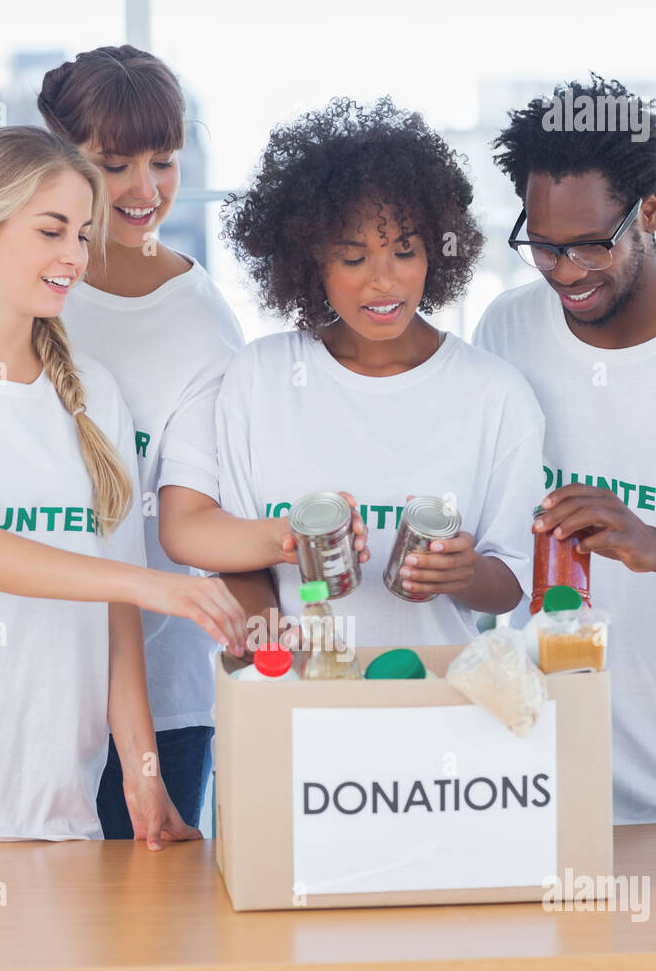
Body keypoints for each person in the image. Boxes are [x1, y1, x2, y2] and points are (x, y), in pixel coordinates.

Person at [0, 125, 246, 845]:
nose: (75, 257)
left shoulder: (94, 396)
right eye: (52, 232)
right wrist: (155, 585)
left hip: (58, 815)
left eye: (82, 233)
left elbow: (117, 618)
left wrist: (143, 778)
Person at [473, 74, 656, 824]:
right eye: (543, 245)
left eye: (590, 245)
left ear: (650, 210)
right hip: (543, 787)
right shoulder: (507, 330)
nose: (564, 271)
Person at [204, 97, 544, 646]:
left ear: (436, 252)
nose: (383, 281)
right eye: (354, 257)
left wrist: (467, 574)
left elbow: (510, 583)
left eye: (404, 251)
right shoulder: (259, 378)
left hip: (440, 703)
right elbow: (240, 560)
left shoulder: (495, 394)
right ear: (310, 260)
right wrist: (268, 641)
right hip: (295, 701)